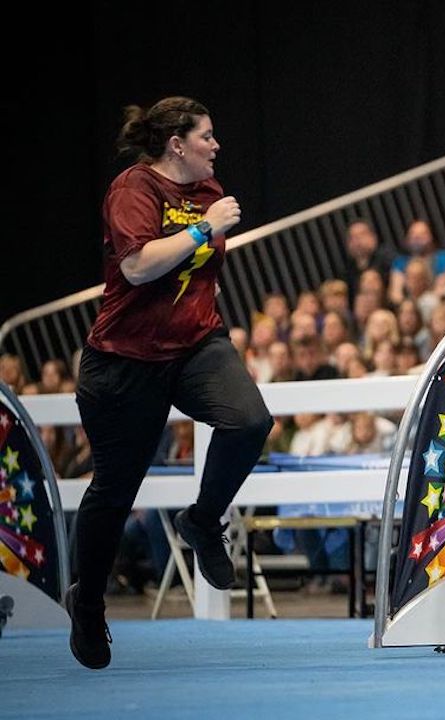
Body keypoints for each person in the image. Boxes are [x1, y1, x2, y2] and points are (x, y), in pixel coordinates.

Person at [68, 97, 272, 669]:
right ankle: (87, 606)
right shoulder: (133, 189)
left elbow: (200, 276)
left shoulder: (209, 191)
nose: (217, 145)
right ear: (177, 144)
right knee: (114, 492)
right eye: (207, 136)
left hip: (195, 346)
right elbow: (137, 267)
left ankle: (203, 521)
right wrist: (206, 230)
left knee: (250, 420)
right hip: (124, 361)